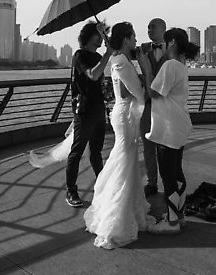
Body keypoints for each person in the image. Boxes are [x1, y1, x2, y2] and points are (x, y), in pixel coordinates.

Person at [84, 22, 155, 249]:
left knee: (127, 160)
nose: (136, 41)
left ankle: (126, 209)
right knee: (124, 161)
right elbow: (140, 94)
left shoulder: (119, 60)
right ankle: (115, 220)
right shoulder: (122, 62)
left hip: (125, 114)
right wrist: (144, 69)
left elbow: (130, 90)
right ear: (125, 39)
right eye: (133, 37)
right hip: (125, 116)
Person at [137, 27, 200, 234]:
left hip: (168, 128)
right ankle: (179, 216)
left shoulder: (170, 65)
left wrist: (146, 67)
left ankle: (171, 222)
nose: (162, 47)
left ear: (171, 43)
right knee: (177, 172)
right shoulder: (180, 65)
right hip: (179, 125)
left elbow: (153, 92)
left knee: (168, 176)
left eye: (165, 43)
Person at [64, 21, 113, 207]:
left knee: (96, 152)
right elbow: (92, 75)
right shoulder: (80, 56)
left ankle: (103, 186)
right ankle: (71, 190)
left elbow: (99, 80)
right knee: (76, 151)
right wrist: (107, 55)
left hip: (99, 109)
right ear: (88, 36)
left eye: (103, 33)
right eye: (99, 33)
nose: (101, 37)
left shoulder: (98, 55)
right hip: (84, 111)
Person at [139, 18, 168, 197]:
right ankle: (152, 182)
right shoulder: (142, 48)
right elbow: (121, 51)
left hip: (165, 104)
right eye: (148, 27)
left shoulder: (173, 50)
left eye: (153, 27)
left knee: (164, 147)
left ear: (163, 29)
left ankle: (168, 183)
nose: (149, 30)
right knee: (147, 146)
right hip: (147, 104)